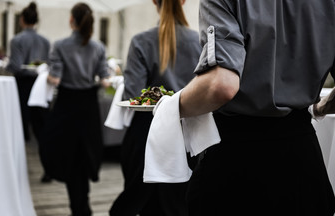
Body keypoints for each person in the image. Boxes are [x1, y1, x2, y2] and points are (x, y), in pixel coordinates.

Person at [178, 1, 335, 215]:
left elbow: (221, 85)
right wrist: (320, 107)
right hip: (303, 160)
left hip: (234, 162)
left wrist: (170, 107)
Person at [109, 0, 201, 215]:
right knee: (179, 205)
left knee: (140, 204)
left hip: (147, 134)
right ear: (184, 1)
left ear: (154, 2)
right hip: (187, 135)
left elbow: (133, 96)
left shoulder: (141, 41)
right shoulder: (200, 41)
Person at [39, 3, 110, 216]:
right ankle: (83, 203)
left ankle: (77, 206)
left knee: (68, 155)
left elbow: (56, 79)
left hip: (67, 105)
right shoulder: (98, 47)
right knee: (84, 154)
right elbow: (105, 81)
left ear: (72, 20)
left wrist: (44, 75)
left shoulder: (59, 45)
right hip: (88, 106)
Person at [6, 2, 51, 183]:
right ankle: (48, 169)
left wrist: (8, 65)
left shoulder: (17, 40)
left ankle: (17, 170)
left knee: (19, 129)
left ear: (22, 20)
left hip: (24, 87)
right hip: (41, 88)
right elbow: (48, 65)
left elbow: (16, 67)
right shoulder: (45, 41)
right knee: (41, 132)